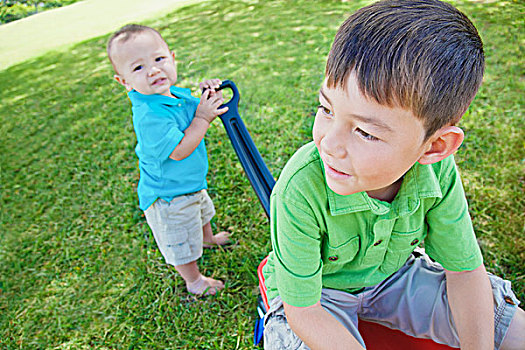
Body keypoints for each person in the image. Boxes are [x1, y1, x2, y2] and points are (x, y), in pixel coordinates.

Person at [262, 0, 524, 349]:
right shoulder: (300, 188)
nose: (330, 144)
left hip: (394, 278)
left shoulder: (437, 174)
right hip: (320, 296)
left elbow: (464, 272)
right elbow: (305, 311)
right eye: (326, 109)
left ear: (434, 147)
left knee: (507, 323)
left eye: (365, 132)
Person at [107, 24, 232, 296]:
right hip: (168, 196)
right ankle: (194, 280)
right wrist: (202, 118)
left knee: (201, 211)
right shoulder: (149, 116)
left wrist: (207, 93)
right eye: (138, 68)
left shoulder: (175, 94)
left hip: (189, 183)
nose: (153, 70)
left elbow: (196, 106)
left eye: (159, 59)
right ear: (124, 81)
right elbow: (179, 150)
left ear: (172, 58)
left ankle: (207, 239)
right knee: (181, 241)